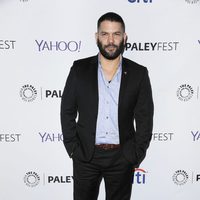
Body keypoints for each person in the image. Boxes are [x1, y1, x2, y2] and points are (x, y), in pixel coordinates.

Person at [61, 12, 154, 200]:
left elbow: (145, 117)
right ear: (97, 37)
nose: (110, 40)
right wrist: (73, 148)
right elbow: (67, 110)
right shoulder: (79, 69)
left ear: (125, 37)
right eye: (105, 34)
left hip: (122, 157)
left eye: (116, 34)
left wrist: (136, 154)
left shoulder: (139, 73)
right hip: (86, 156)